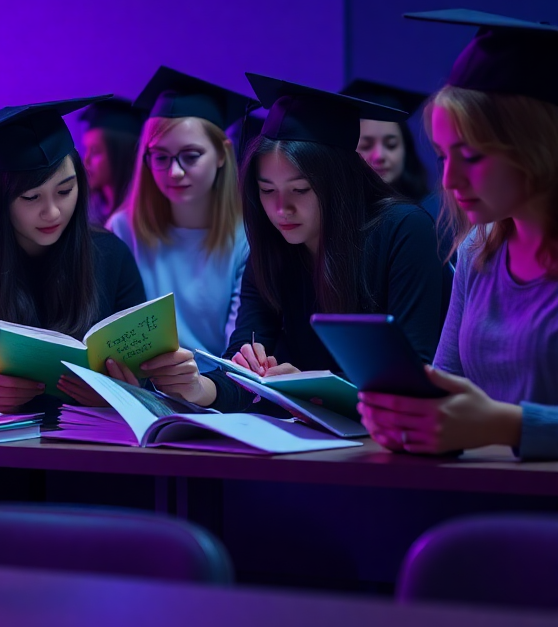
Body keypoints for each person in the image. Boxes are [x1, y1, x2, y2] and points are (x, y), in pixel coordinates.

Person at [357, 10, 558, 460]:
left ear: (538, 147)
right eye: (444, 155)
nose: (449, 180)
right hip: (482, 499)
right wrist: (411, 416)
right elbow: (447, 381)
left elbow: (490, 420)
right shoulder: (477, 249)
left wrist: (509, 425)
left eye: (471, 155)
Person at [187, 74, 444, 410]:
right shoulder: (271, 249)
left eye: (300, 190)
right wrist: (199, 387)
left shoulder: (404, 231)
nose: (281, 209)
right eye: (267, 191)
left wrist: (309, 387)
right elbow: (243, 369)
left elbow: (411, 373)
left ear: (339, 181)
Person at [0, 97, 149, 413]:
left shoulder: (110, 254)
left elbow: (144, 378)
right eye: (31, 197)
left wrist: (121, 393)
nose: (52, 212)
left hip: (90, 449)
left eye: (65, 191)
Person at [107, 66, 250, 358]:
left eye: (191, 155)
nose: (174, 171)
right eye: (161, 157)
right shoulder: (123, 230)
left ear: (222, 154)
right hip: (143, 387)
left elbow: (239, 347)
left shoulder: (244, 236)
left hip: (220, 392)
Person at [342, 78, 433, 207]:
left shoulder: (431, 212)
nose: (379, 156)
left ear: (406, 149)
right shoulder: (333, 216)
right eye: (366, 146)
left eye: (391, 145)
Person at [78, 98, 144, 225]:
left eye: (95, 151)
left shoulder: (137, 220)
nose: (86, 160)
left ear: (120, 156)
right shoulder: (88, 214)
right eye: (86, 150)